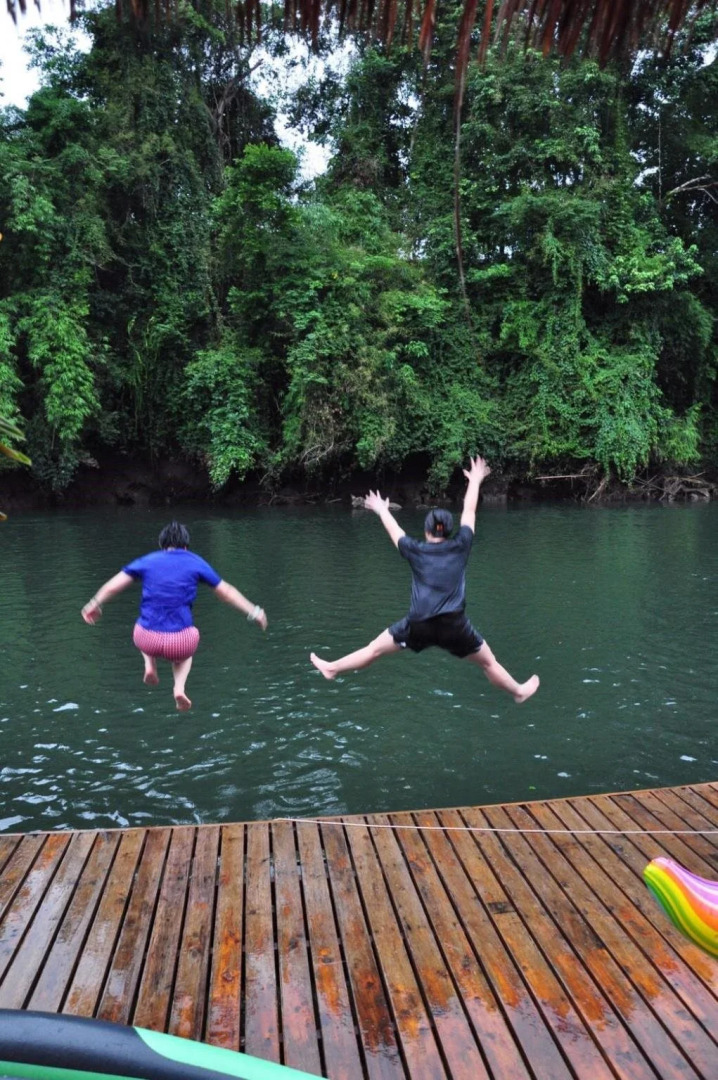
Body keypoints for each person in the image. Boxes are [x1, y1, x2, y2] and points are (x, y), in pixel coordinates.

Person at [310, 456, 539, 703]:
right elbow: (469, 511)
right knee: (488, 662)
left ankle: (332, 668)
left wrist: (381, 509)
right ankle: (518, 691)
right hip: (454, 626)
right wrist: (474, 480)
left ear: (427, 530)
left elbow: (395, 531)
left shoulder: (415, 549)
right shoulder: (462, 545)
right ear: (449, 531)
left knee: (374, 650)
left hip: (419, 624)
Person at [81, 521, 267, 711]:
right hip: (180, 643)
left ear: (162, 545)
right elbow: (226, 593)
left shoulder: (147, 560)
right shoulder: (195, 562)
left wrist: (94, 603)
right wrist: (254, 611)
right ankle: (179, 688)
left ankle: (149, 665)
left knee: (141, 624)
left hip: (146, 639)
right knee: (188, 648)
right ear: (186, 546)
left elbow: (114, 586)